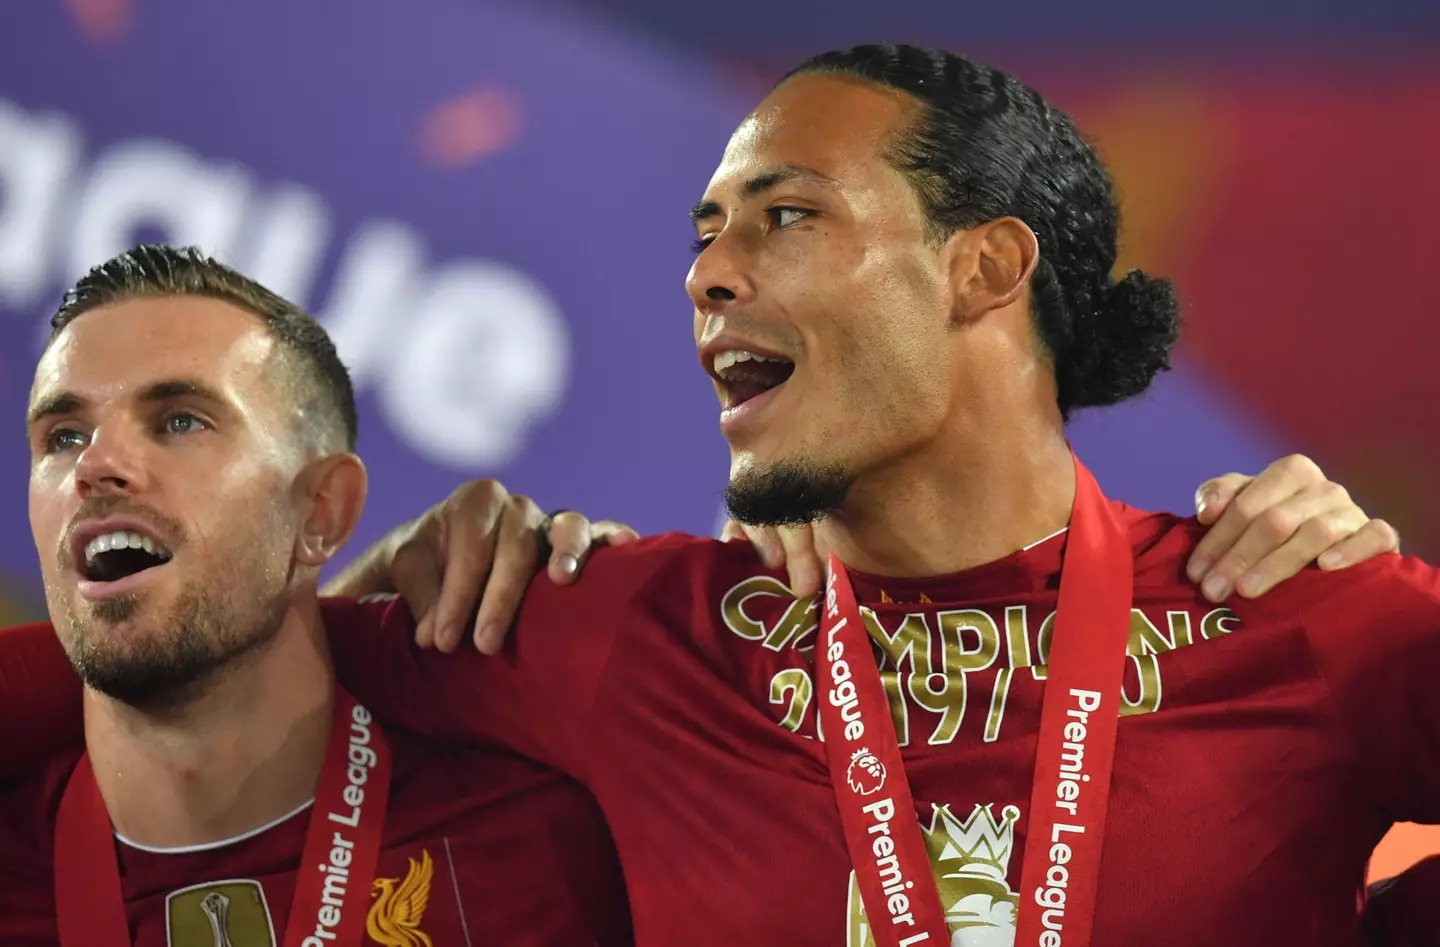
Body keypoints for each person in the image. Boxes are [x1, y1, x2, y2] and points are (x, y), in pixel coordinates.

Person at [0, 43, 1415, 943]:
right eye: (706, 232)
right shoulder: (618, 626)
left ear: (984, 268)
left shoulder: (1295, 602)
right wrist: (373, 570)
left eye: (785, 215)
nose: (709, 271)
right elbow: (191, 659)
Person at [0, 246, 633, 946]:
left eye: (180, 419)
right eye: (63, 435)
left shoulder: (548, 843)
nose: (96, 464)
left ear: (322, 511)